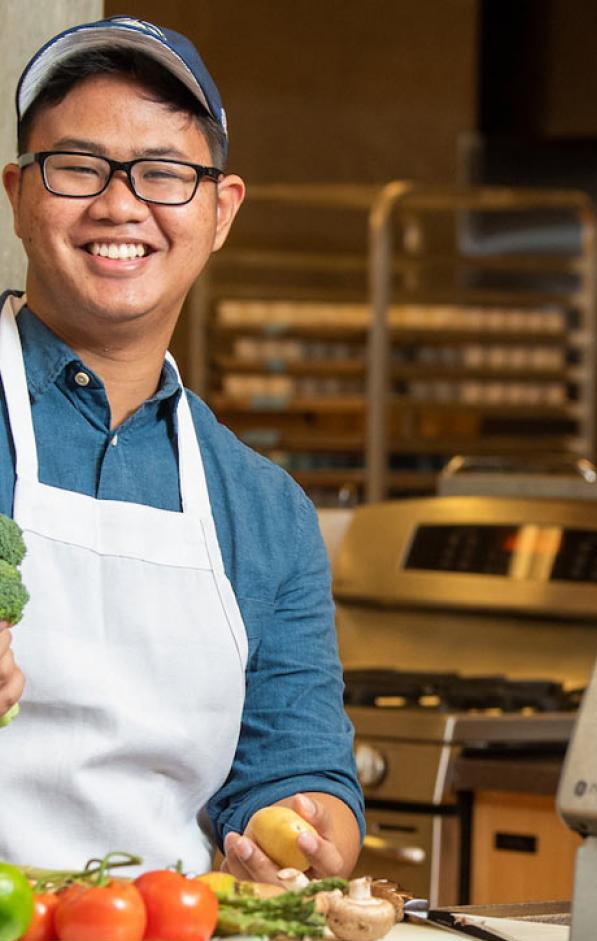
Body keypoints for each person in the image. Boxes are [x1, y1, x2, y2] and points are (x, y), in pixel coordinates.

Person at [0, 16, 363, 882]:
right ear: (18, 194)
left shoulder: (264, 508)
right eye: (78, 167)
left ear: (220, 210)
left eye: (163, 174)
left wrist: (304, 825)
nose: (120, 205)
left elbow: (298, 767)